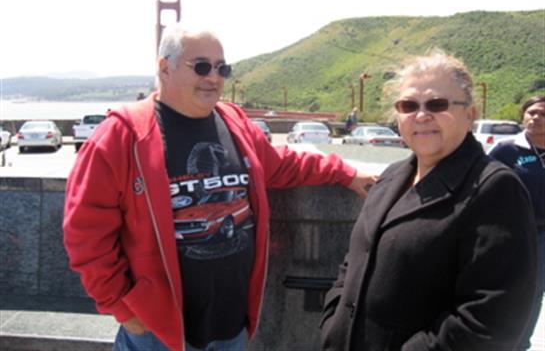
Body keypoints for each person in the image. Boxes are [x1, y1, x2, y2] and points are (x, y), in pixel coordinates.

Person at [63, 25, 376, 351]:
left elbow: (281, 164)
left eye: (221, 68)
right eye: (201, 66)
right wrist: (122, 307)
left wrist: (346, 173)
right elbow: (84, 233)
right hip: (156, 332)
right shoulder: (121, 136)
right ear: (164, 67)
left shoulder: (235, 123)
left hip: (230, 326)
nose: (213, 77)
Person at [321, 51, 538, 350]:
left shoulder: (495, 188)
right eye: (409, 105)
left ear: (469, 114)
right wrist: (333, 322)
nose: (421, 115)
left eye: (437, 104)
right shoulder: (392, 176)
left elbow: (489, 320)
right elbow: (356, 259)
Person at [489, 95, 545, 350]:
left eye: (543, 114)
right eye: (531, 112)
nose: (535, 118)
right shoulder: (506, 150)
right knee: (525, 295)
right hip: (521, 235)